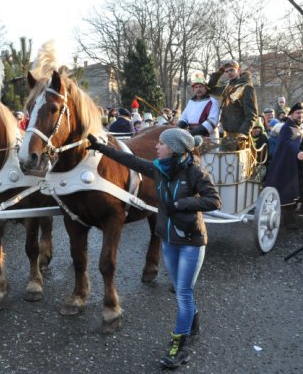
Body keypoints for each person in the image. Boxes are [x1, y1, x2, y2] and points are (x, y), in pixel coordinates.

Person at [86, 128, 220, 369]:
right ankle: (193, 321)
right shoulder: (158, 168)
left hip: (191, 240)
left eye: (161, 144)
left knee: (183, 292)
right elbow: (130, 160)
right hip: (169, 240)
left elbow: (214, 200)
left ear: (175, 149)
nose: (156, 146)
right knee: (182, 289)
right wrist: (100, 148)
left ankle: (179, 347)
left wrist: (183, 203)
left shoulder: (195, 171)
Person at [264, 102, 303, 229]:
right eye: (298, 113)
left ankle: (291, 219)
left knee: (297, 193)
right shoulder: (287, 127)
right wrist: (297, 153)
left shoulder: (298, 127)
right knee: (288, 194)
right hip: (289, 167)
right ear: (291, 114)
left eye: (302, 113)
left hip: (299, 168)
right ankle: (289, 221)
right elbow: (288, 144)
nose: (301, 115)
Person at [207, 60, 258, 151]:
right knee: (226, 163)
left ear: (238, 70)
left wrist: (243, 133)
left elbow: (252, 114)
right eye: (226, 71)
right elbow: (209, 88)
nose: (229, 73)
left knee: (239, 164)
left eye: (232, 70)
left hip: (241, 137)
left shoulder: (246, 88)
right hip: (227, 135)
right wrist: (219, 72)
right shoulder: (226, 87)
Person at [177, 71, 220, 138]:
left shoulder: (212, 102)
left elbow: (212, 122)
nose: (198, 89)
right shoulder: (190, 102)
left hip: (208, 137)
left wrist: (193, 133)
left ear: (206, 88)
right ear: (193, 90)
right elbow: (184, 117)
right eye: (196, 87)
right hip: (191, 136)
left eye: (201, 86)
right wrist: (178, 127)